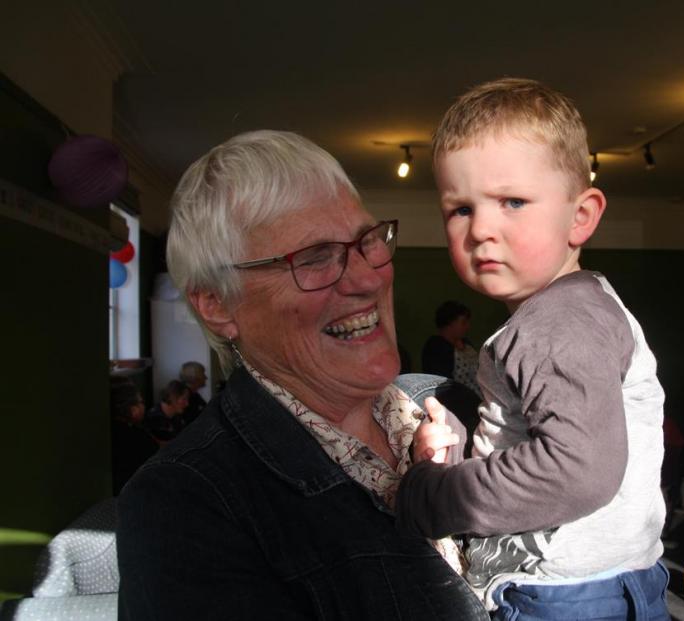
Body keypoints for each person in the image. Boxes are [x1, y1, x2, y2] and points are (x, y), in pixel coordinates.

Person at [116, 130, 487, 620]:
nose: (369, 278)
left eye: (367, 241)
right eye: (314, 258)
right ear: (218, 304)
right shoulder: (186, 504)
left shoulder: (449, 404)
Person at [395, 78, 669, 620]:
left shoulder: (558, 321)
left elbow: (574, 469)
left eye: (512, 201)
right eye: (460, 209)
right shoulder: (572, 311)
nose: (481, 229)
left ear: (581, 216)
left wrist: (433, 495)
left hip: (565, 598)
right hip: (596, 585)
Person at [422, 300, 481, 397]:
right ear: (450, 323)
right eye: (463, 322)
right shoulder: (436, 347)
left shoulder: (467, 344)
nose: (468, 327)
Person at [109, 376, 157, 495]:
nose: (143, 406)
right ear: (132, 409)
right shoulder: (138, 437)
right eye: (141, 402)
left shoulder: (107, 431)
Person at [143, 379, 189, 444]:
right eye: (184, 399)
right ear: (173, 397)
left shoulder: (177, 416)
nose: (187, 404)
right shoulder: (154, 418)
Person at [178, 360, 208, 425]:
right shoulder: (183, 397)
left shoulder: (195, 395)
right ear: (195, 377)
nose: (206, 378)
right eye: (203, 374)